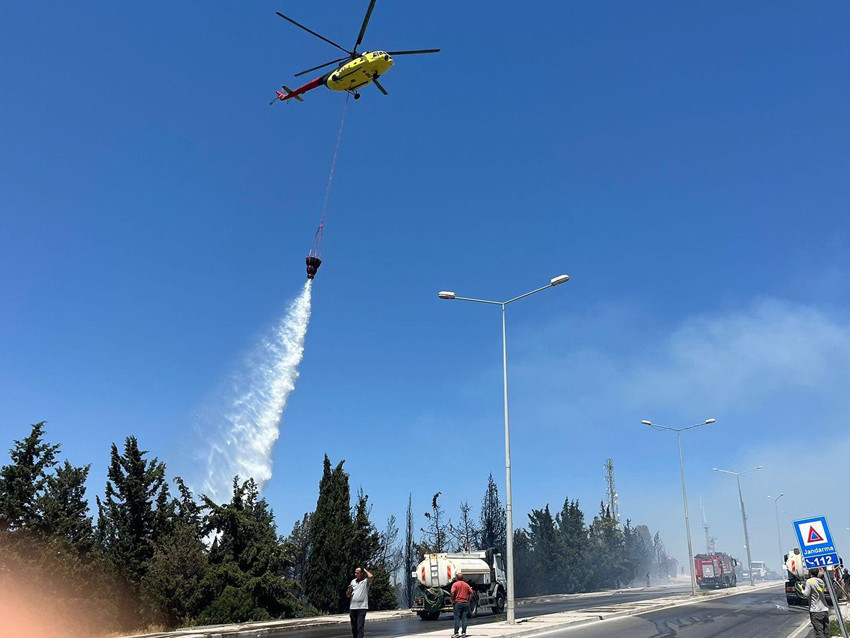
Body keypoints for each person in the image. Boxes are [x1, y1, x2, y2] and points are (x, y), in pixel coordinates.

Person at [799, 568, 829, 638]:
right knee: (826, 631)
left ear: (810, 573)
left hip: (815, 610)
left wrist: (801, 589)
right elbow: (819, 591)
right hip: (824, 609)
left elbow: (806, 594)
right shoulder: (821, 581)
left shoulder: (809, 581)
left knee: (819, 632)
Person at [346, 566, 373, 638]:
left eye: (357, 573)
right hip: (353, 607)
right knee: (354, 627)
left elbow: (371, 576)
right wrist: (349, 590)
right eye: (355, 573)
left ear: (361, 573)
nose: (355, 574)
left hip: (362, 607)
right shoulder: (353, 581)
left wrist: (365, 570)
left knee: (360, 626)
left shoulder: (365, 582)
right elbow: (348, 595)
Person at [450, 570, 474, 638]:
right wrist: (468, 600)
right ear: (462, 578)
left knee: (457, 618)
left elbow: (452, 592)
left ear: (457, 578)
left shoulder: (455, 584)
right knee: (464, 618)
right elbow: (471, 593)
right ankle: (464, 633)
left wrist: (452, 600)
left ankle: (456, 633)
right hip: (465, 603)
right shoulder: (466, 585)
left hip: (458, 603)